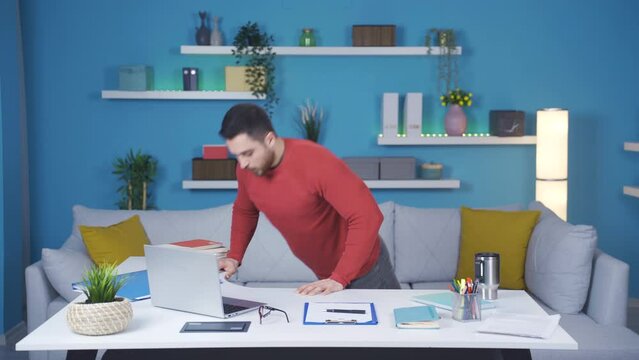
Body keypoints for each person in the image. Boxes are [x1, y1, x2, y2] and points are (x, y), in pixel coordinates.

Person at [217, 103, 400, 295]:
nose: (243, 164)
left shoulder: (316, 161)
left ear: (269, 139)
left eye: (248, 153)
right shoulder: (247, 170)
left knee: (394, 323)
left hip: (367, 271)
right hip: (329, 275)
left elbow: (368, 215)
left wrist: (340, 277)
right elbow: (245, 210)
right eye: (237, 155)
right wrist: (234, 257)